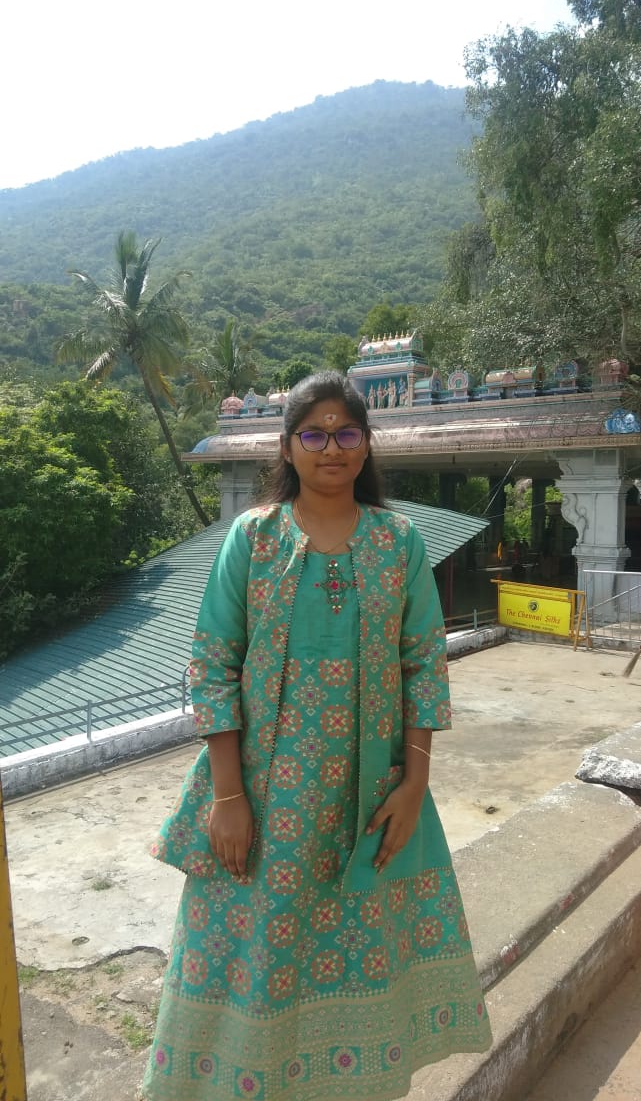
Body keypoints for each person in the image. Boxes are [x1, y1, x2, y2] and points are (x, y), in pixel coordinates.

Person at [142, 371, 491, 1101]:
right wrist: (228, 797)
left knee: (362, 947)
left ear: (365, 445)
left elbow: (422, 664)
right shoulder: (254, 538)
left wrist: (415, 784)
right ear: (287, 447)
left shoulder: (398, 542)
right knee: (260, 953)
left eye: (346, 432)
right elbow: (214, 664)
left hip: (371, 794)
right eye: (314, 433)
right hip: (265, 799)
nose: (331, 447)